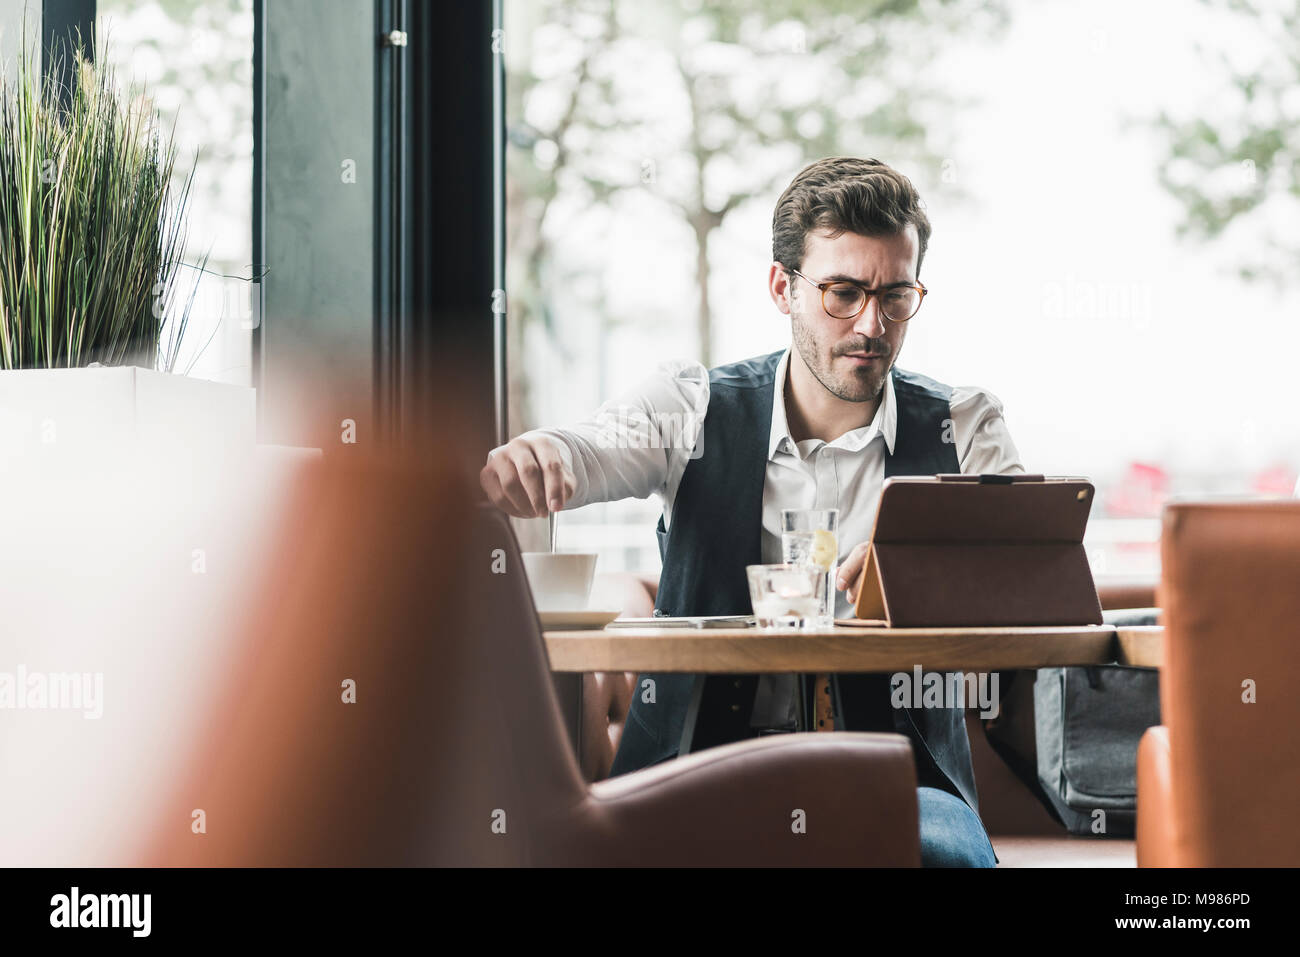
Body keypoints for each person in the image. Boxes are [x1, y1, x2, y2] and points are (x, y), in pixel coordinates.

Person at [480, 156, 1023, 867]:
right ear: (782, 287)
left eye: (896, 296)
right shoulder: (691, 408)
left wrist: (926, 570)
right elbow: (587, 448)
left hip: (901, 777)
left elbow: (1027, 570)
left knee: (945, 856)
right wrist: (542, 451)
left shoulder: (965, 426)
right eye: (842, 293)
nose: (872, 324)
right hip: (692, 768)